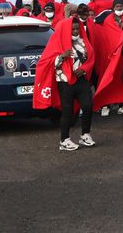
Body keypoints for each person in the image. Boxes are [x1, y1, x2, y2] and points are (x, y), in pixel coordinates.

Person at [32, 18, 97, 151]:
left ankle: (85, 134)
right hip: (64, 81)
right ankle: (64, 139)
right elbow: (46, 63)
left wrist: (84, 69)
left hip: (81, 79)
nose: (75, 31)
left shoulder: (83, 42)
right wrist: (61, 56)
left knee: (88, 105)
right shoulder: (57, 43)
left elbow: (91, 58)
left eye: (77, 28)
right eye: (72, 29)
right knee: (67, 110)